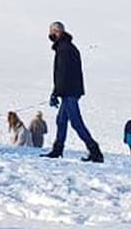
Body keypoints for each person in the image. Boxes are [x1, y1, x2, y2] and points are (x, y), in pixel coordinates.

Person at [42, 21, 104, 163]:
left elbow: (63, 73)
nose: (50, 35)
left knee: (76, 122)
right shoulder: (67, 47)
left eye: (51, 32)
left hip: (69, 91)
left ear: (57, 32)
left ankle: (95, 150)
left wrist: (56, 92)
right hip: (70, 90)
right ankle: (57, 150)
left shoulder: (64, 48)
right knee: (61, 120)